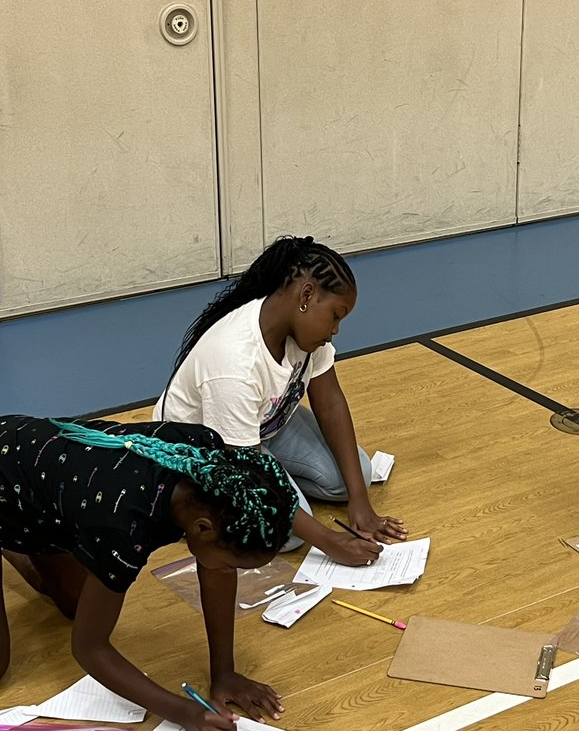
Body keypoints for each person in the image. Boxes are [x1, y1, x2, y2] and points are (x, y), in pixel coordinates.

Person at [0, 415, 300, 731]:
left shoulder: (215, 473)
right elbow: (89, 650)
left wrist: (223, 673)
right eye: (232, 563)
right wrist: (186, 714)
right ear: (201, 529)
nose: (226, 574)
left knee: (77, 603)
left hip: (34, 487)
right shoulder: (124, 523)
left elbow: (212, 568)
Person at [156, 235, 406, 566]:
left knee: (358, 473)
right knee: (279, 534)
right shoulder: (233, 362)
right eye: (335, 316)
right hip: (207, 448)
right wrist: (330, 542)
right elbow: (243, 468)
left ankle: (282, 474)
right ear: (306, 296)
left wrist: (361, 502)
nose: (335, 331)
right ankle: (242, 489)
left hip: (262, 428)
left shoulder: (306, 336)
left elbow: (329, 402)